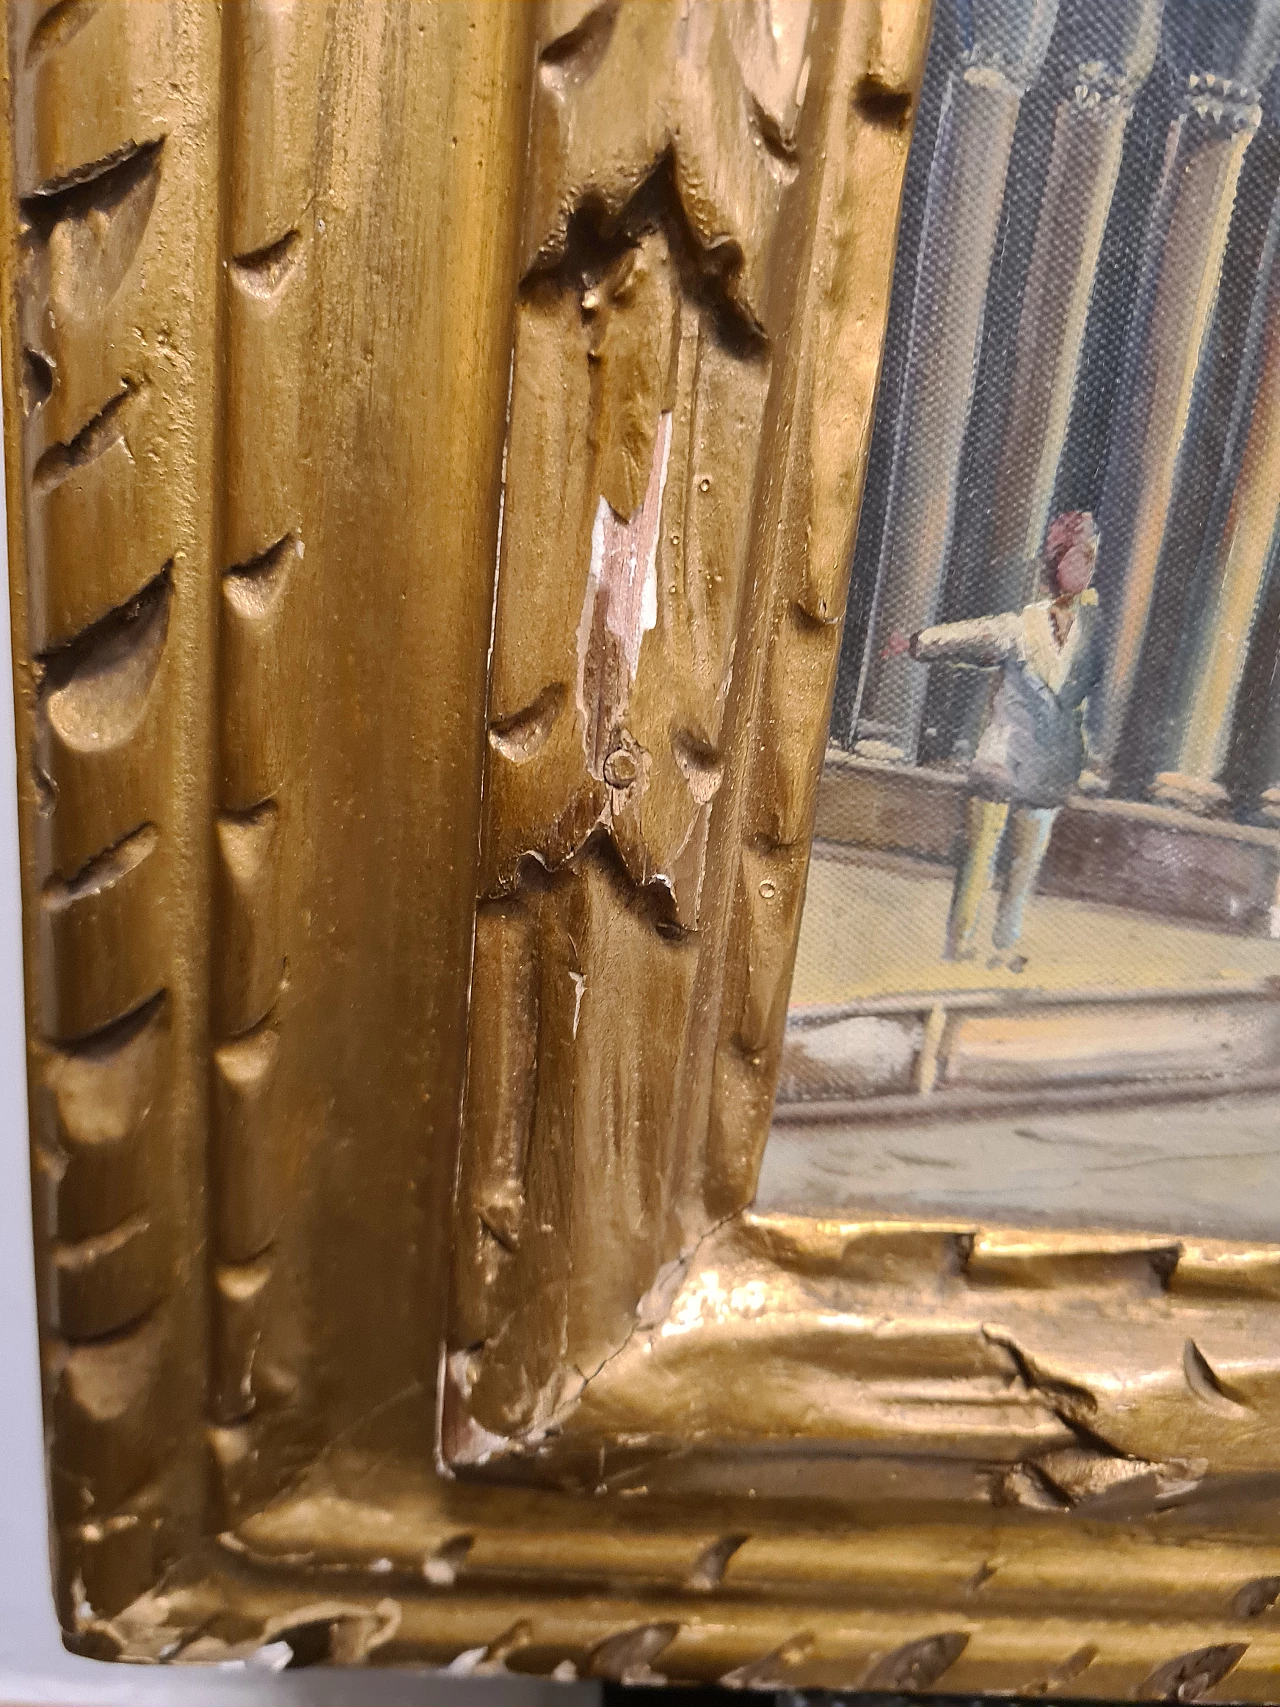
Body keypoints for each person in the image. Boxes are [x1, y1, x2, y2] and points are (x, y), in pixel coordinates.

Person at [882, 511, 1102, 967]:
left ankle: (1006, 945)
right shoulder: (1021, 624)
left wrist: (1083, 754)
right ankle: (958, 943)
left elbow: (1079, 703)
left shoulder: (1090, 637)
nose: (1082, 569)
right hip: (1003, 758)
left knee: (1026, 864)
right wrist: (917, 642)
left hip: (1049, 765)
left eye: (1088, 559)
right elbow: (967, 636)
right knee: (980, 858)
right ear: (1054, 564)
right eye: (1073, 558)